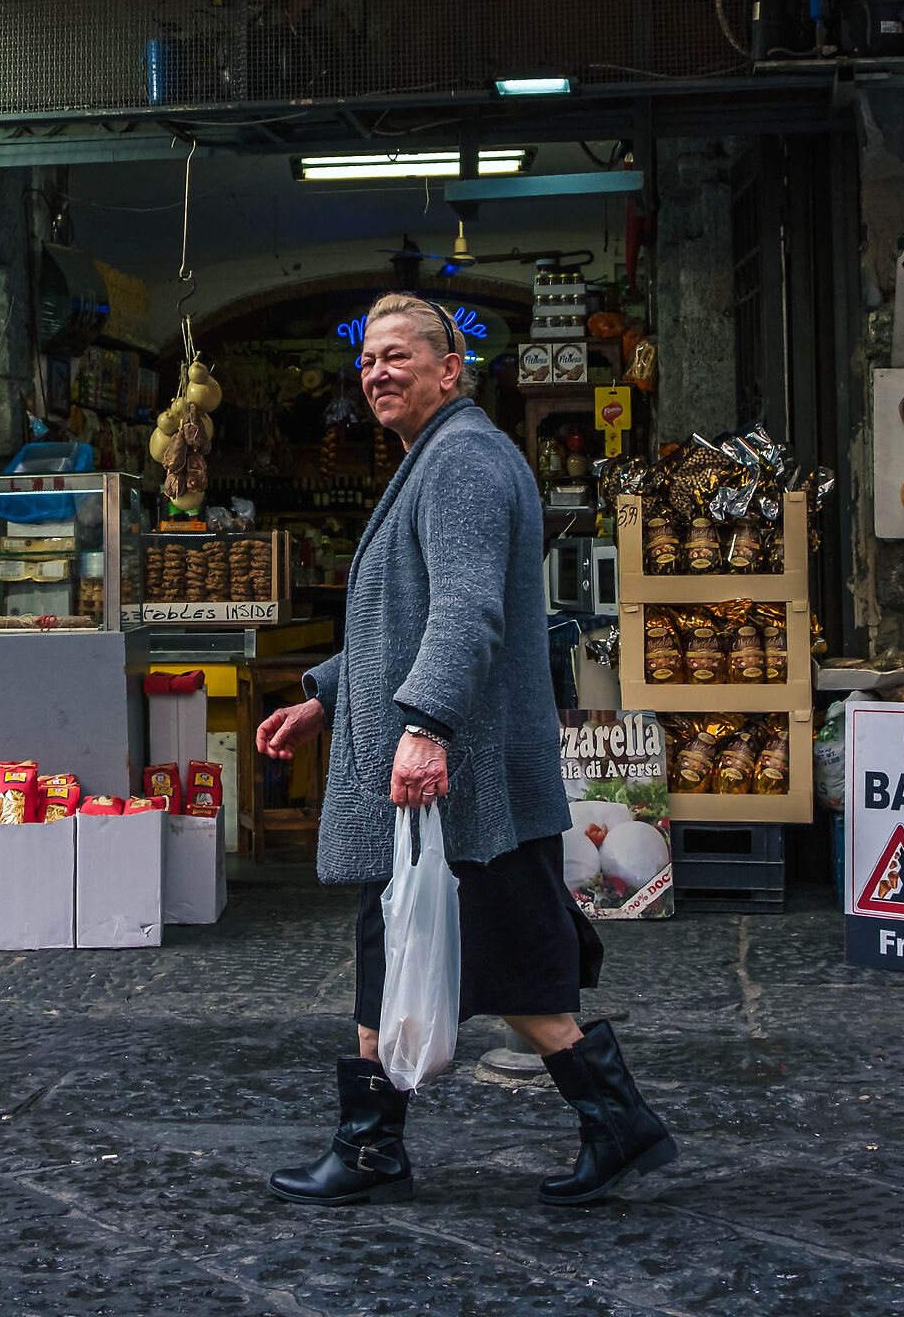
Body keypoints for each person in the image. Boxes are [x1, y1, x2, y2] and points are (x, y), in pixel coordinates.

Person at [257, 292, 675, 1207]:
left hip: (466, 779)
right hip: (452, 773)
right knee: (399, 944)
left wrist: (427, 726)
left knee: (505, 969)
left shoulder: (462, 464)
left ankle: (614, 1123)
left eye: (399, 355)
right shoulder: (438, 459)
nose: (377, 372)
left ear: (452, 370)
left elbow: (467, 613)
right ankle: (375, 1142)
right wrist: (325, 698)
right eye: (367, 358)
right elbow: (396, 622)